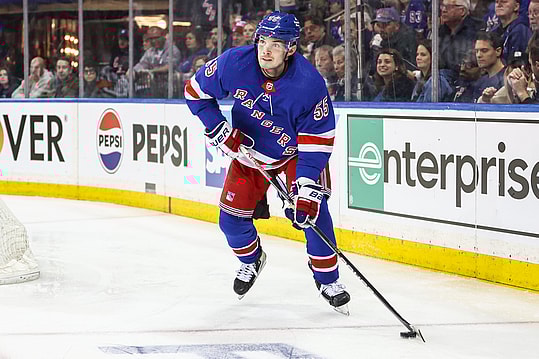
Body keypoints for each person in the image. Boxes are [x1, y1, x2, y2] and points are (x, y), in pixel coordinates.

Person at [185, 11, 351, 313]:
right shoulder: (235, 63)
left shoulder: (309, 84)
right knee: (230, 222)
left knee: (314, 216)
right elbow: (195, 92)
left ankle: (328, 279)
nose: (266, 49)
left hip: (294, 156)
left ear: (291, 48)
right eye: (262, 41)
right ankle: (252, 260)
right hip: (249, 155)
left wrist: (305, 186)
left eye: (276, 43)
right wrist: (217, 126)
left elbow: (318, 138)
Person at [472, 31, 506, 102]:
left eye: (484, 50)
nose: (478, 55)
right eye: (476, 51)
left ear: (498, 51)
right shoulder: (480, 82)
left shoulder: (507, 78)